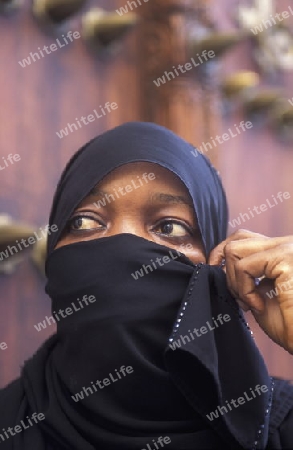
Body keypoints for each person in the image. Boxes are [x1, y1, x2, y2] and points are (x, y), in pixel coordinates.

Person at [0, 121, 292, 450]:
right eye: (85, 221)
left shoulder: (279, 426)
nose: (125, 246)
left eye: (169, 226)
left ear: (216, 261)